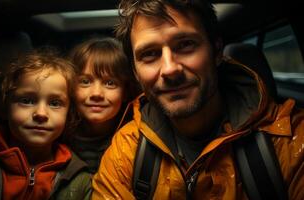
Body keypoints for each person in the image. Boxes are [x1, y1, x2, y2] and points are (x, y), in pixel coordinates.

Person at [92, 0, 304, 199]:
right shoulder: (124, 154)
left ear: (217, 51)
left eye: (185, 44)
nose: (169, 69)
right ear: (136, 73)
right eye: (149, 54)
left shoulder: (289, 140)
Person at [0, 48, 92, 200]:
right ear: (4, 106)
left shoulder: (79, 181)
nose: (41, 113)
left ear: (69, 113)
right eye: (26, 101)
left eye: (55, 103)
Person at [67, 37, 139, 174]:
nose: (96, 93)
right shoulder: (56, 136)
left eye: (110, 83)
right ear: (71, 87)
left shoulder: (135, 142)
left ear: (125, 92)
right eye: (85, 81)